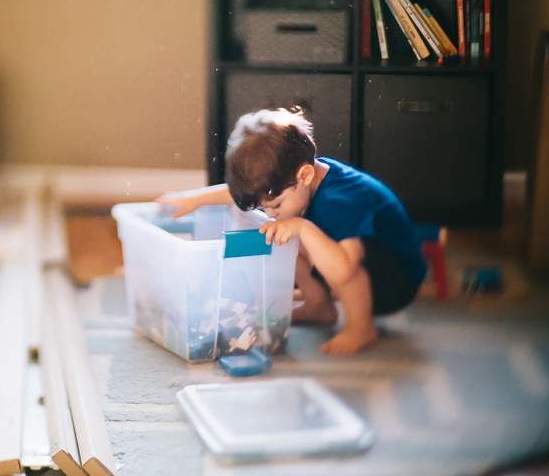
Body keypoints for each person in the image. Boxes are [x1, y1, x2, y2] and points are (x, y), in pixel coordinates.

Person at [157, 108, 426, 355]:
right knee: (282, 233)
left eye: (275, 205)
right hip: (355, 261)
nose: (270, 213)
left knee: (302, 236)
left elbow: (344, 269)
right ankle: (320, 307)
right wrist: (196, 198)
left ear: (305, 176)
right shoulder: (301, 178)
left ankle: (361, 327)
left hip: (395, 279)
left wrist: (301, 226)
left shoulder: (339, 202)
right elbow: (258, 194)